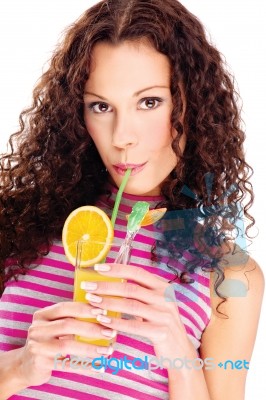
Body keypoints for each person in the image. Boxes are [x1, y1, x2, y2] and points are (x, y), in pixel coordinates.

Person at [0, 0, 264, 399]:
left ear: (190, 105)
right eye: (101, 106)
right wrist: (18, 367)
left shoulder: (229, 275)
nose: (122, 136)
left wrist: (179, 353)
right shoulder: (17, 223)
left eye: (149, 102)